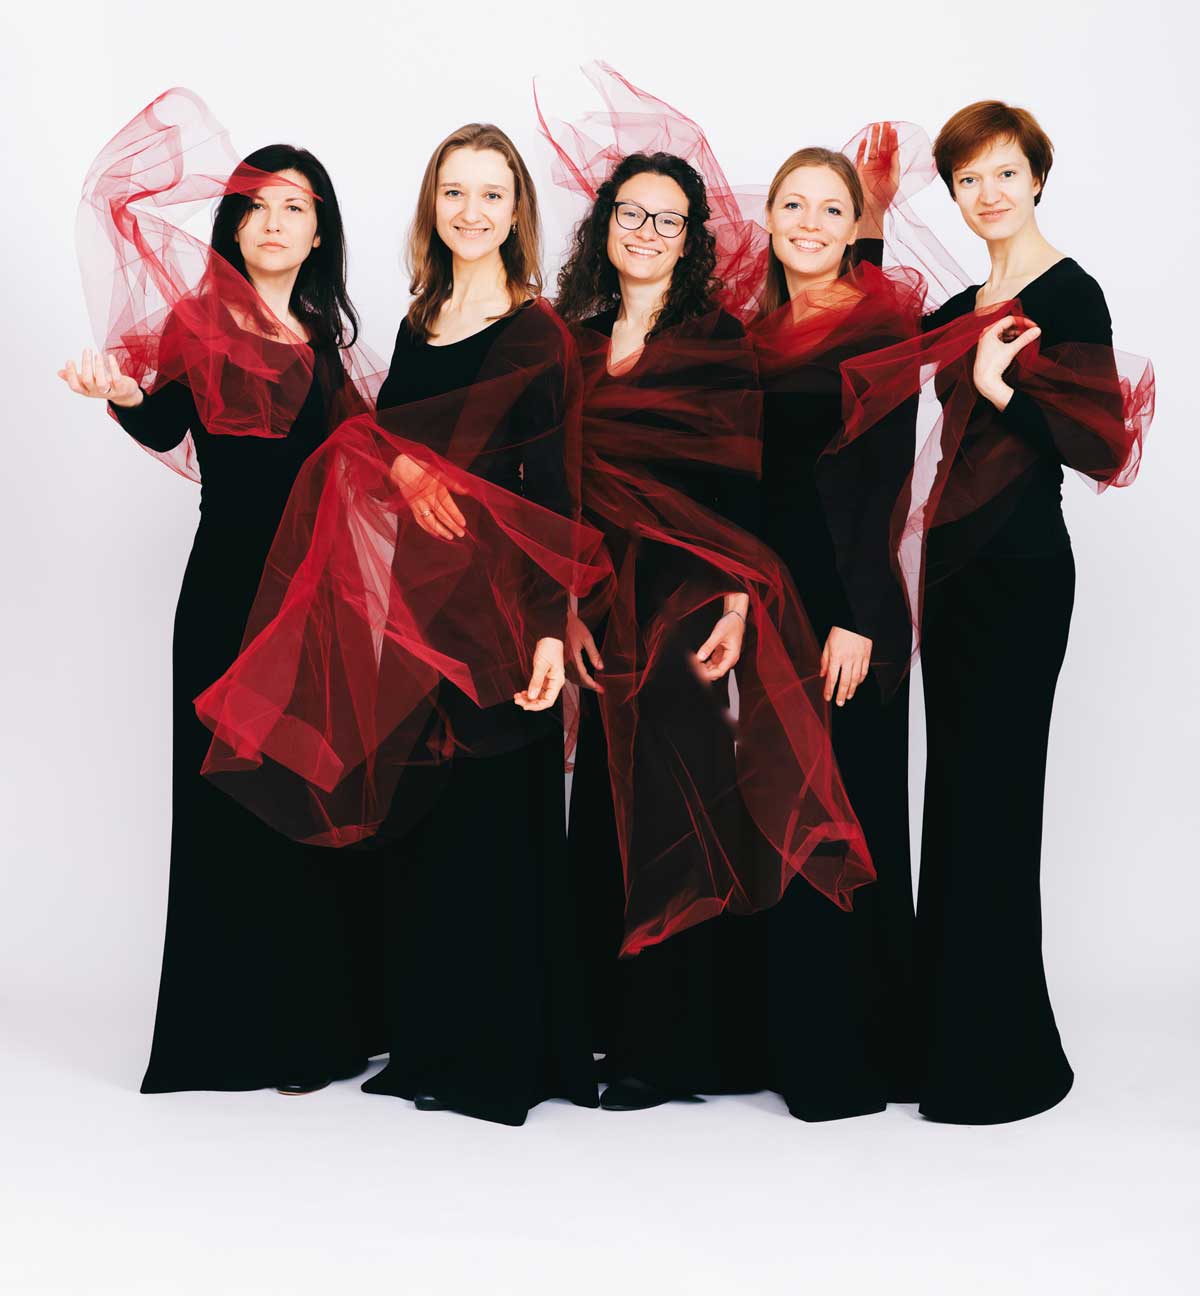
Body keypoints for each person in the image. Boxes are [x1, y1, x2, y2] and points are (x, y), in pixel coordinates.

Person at [836, 100, 1152, 1123]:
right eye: (968, 179)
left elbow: (1103, 445)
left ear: (1038, 178)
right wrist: (871, 215)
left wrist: (1000, 388)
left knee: (998, 801)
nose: (988, 194)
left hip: (1022, 570)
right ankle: (943, 1042)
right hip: (954, 573)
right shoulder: (969, 299)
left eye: (1005, 173)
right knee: (954, 800)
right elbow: (879, 341)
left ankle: (1001, 1063)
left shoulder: (1071, 292)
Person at [60, 92, 380, 1095]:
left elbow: (357, 464)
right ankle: (231, 1039)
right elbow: (163, 426)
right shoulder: (199, 323)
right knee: (226, 810)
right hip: (230, 596)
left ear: (320, 232)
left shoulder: (325, 338)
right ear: (233, 225)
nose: (274, 223)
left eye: (295, 208)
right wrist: (119, 393)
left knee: (304, 803)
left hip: (316, 602)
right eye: (257, 207)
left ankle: (314, 1032)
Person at [554, 148, 871, 1112]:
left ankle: (666, 1050)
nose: (647, 233)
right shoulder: (573, 338)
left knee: (677, 800)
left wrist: (736, 603)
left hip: (688, 596)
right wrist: (563, 607)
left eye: (668, 219)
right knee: (601, 802)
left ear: (691, 239)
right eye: (632, 214)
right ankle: (601, 1026)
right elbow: (556, 488)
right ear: (605, 225)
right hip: (598, 597)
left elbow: (742, 480)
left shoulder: (717, 340)